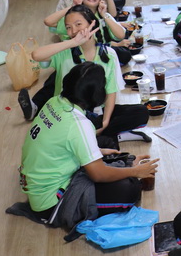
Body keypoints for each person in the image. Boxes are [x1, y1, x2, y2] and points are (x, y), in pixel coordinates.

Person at [14, 62, 158, 228]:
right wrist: (135, 172)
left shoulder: (54, 101)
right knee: (130, 190)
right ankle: (129, 171)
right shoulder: (78, 123)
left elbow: (61, 141)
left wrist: (100, 152)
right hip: (51, 203)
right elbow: (98, 175)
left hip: (37, 184)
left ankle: (125, 166)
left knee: (109, 149)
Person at [18, 5, 150, 147]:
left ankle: (94, 136)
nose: (74, 31)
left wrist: (105, 122)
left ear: (92, 23)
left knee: (141, 112)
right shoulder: (65, 51)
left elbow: (111, 92)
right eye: (68, 27)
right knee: (86, 134)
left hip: (96, 113)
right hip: (68, 115)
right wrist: (73, 42)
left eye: (78, 24)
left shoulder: (109, 54)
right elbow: (36, 55)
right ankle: (103, 137)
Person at [45, 0, 131, 65]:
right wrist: (72, 6)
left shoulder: (102, 14)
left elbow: (120, 35)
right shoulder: (75, 16)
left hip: (100, 50)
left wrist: (104, 15)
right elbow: (48, 21)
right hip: (80, 54)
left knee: (125, 52)